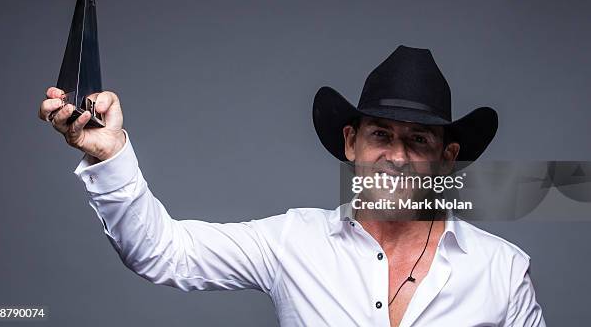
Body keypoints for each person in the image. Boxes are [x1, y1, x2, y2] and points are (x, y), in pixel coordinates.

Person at [38, 45, 546, 326]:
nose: (396, 157)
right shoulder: (292, 242)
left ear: (446, 158)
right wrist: (110, 153)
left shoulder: (502, 271)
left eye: (418, 140)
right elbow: (162, 252)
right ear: (351, 144)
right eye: (380, 135)